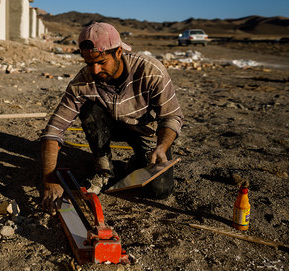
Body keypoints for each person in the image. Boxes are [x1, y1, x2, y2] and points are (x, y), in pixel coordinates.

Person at [40, 22, 184, 211]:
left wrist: (162, 147)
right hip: (108, 127)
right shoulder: (82, 82)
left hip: (145, 129)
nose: (95, 70)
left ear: (118, 52)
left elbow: (172, 116)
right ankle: (105, 169)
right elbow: (53, 130)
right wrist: (50, 180)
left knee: (160, 190)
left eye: (101, 62)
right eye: (89, 63)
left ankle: (137, 161)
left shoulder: (150, 71)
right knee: (90, 109)